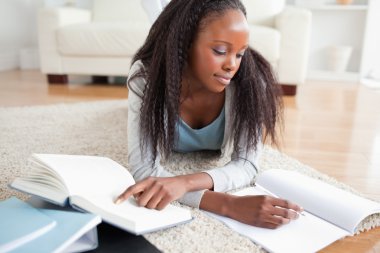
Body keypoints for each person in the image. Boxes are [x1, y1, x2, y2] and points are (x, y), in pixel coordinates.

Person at [115, 0, 303, 229]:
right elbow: (144, 169)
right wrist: (228, 204)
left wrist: (184, 182)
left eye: (240, 54)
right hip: (170, 66)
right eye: (220, 51)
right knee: (163, 31)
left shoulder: (250, 83)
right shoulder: (145, 77)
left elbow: (246, 163)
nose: (232, 65)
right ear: (186, 44)